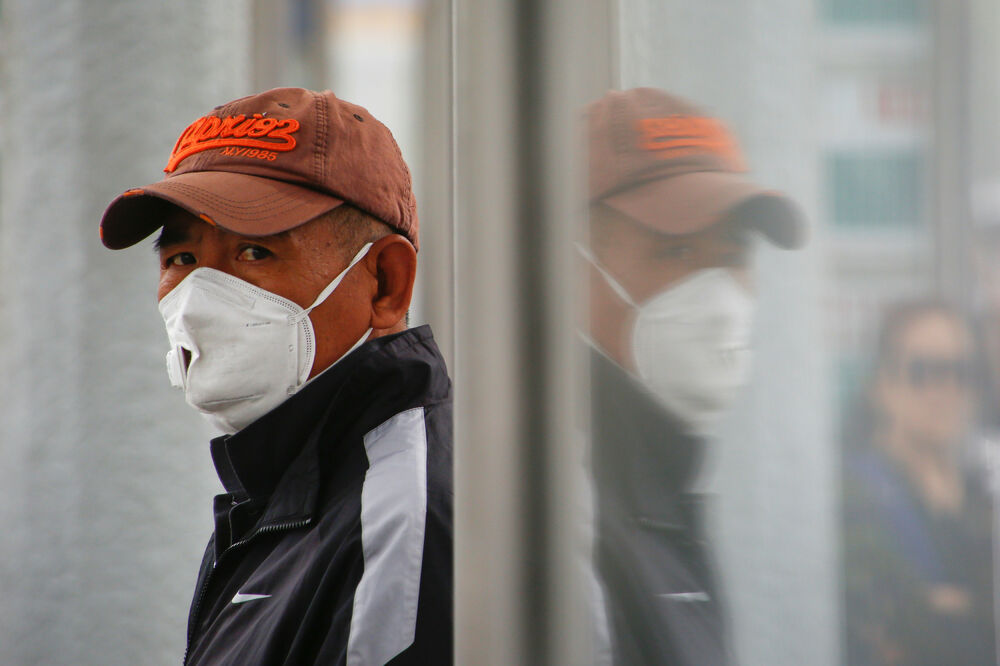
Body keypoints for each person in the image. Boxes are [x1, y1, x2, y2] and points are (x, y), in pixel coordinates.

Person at [98, 87, 452, 665]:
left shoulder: (403, 522)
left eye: (255, 252)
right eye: (181, 260)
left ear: (387, 283)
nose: (197, 298)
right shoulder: (289, 490)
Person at [580, 87, 806, 664]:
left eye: (734, 257)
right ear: (575, 271)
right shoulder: (553, 504)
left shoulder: (658, 485)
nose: (721, 297)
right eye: (675, 252)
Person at [841, 298, 995, 665]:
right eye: (924, 372)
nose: (947, 389)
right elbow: (895, 622)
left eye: (962, 371)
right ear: (882, 384)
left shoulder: (981, 490)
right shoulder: (855, 496)